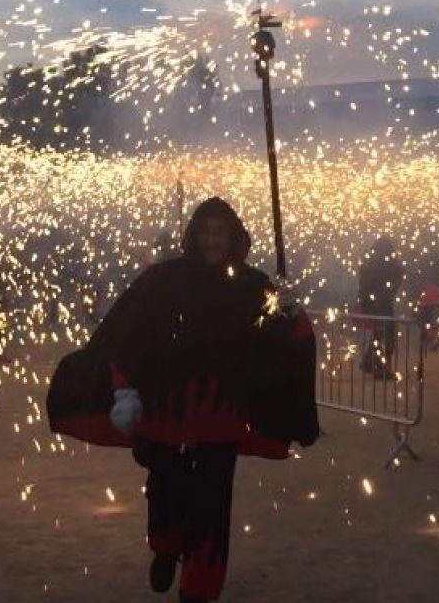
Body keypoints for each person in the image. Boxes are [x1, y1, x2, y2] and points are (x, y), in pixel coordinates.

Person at [47, 197, 319, 603]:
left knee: (212, 505)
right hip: (166, 413)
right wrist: (123, 388)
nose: (213, 241)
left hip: (219, 415)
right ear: (194, 236)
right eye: (206, 232)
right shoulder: (163, 279)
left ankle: (199, 589)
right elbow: (124, 334)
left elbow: (281, 340)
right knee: (166, 490)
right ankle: (165, 545)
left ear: (233, 238)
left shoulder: (251, 284)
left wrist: (293, 314)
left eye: (220, 233)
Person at [357, 237, 404, 379]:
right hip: (382, 304)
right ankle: (382, 367)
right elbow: (393, 282)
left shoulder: (368, 263)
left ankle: (368, 362)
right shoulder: (389, 264)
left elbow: (363, 286)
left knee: (378, 334)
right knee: (388, 335)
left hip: (370, 304)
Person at [416, 265, 439, 351]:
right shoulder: (438, 287)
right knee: (432, 327)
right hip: (434, 309)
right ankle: (432, 341)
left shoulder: (429, 287)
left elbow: (424, 300)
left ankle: (432, 341)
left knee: (429, 326)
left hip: (429, 310)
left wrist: (420, 308)